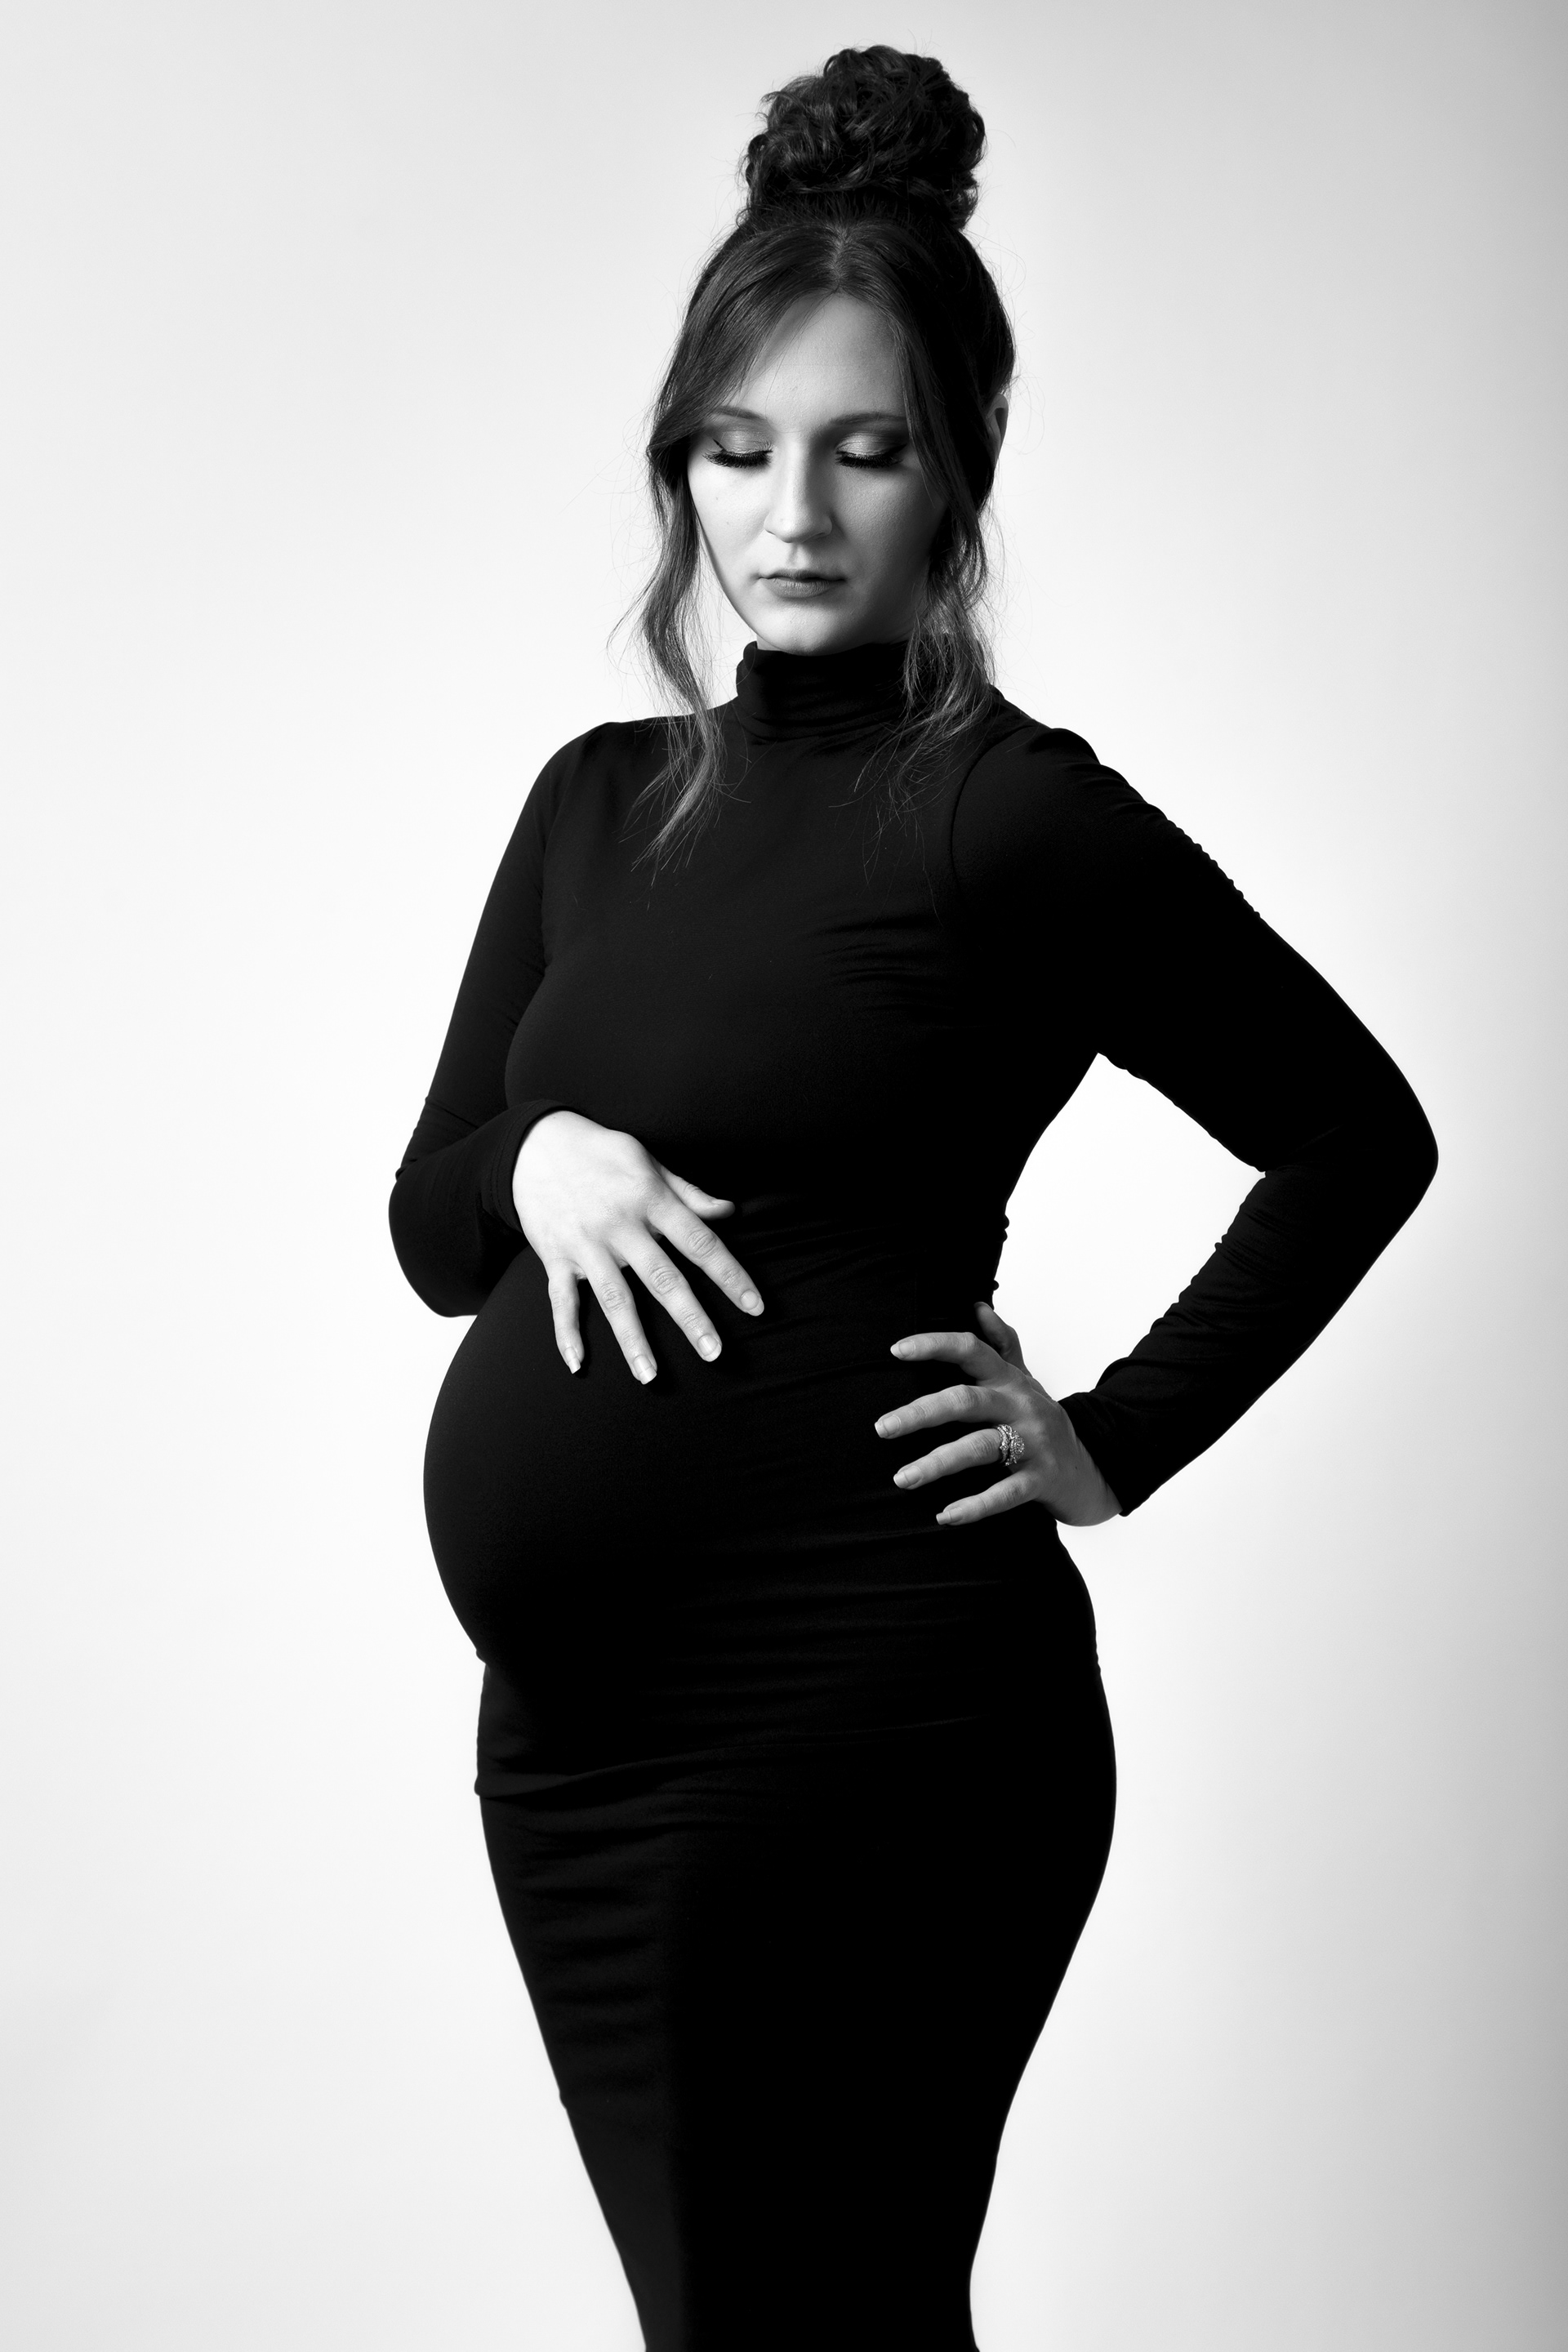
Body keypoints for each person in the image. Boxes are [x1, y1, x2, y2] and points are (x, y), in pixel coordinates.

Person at [389, 45, 1436, 2352]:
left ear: (957, 465)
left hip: (869, 1727)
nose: (790, 513)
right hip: (575, 1756)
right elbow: (429, 1221)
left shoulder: (1005, 817)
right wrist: (535, 1156)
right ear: (679, 461)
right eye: (737, 446)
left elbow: (1360, 1136)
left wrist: (1114, 1437)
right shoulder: (596, 805)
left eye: (862, 449)